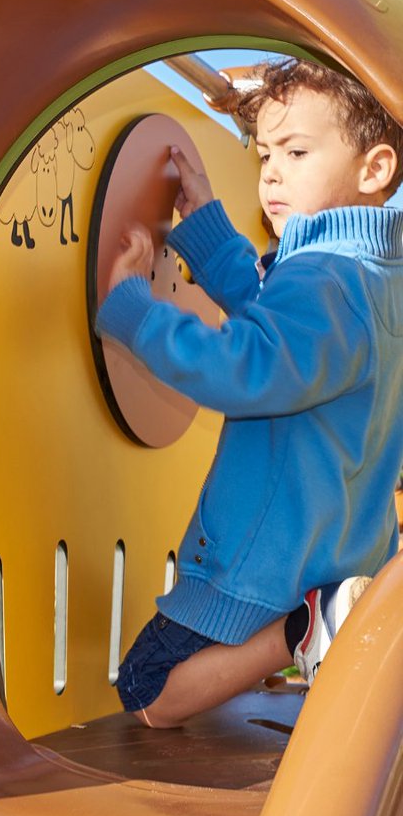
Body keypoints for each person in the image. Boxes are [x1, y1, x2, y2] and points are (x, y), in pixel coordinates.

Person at [95, 58, 403, 728]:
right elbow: (277, 314)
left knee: (146, 688)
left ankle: (296, 635)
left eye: (295, 152)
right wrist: (204, 226)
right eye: (264, 152)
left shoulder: (325, 277)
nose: (270, 173)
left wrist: (134, 314)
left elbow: (248, 365)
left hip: (269, 564)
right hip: (338, 547)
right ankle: (310, 632)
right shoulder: (374, 277)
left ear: (375, 170)